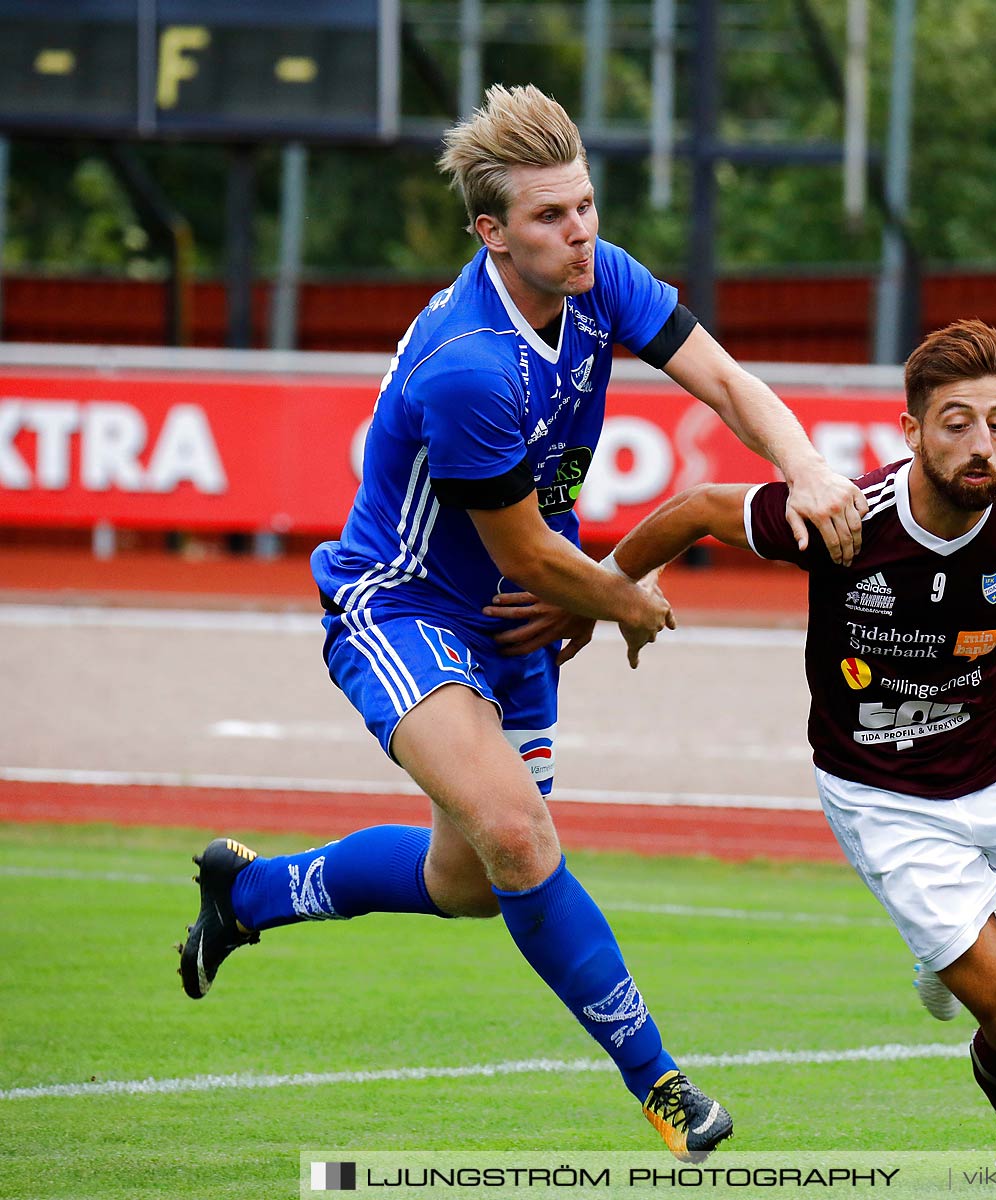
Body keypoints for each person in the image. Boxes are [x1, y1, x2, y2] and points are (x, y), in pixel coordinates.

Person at [177, 83, 866, 1161]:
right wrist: (626, 598)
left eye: (585, 203)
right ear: (490, 232)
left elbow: (725, 382)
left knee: (469, 882)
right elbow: (526, 555)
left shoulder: (601, 279)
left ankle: (251, 893)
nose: (580, 230)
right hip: (402, 607)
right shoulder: (469, 364)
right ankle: (665, 1086)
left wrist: (808, 465)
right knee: (517, 836)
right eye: (549, 217)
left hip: (517, 615)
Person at [603, 319, 996, 1185]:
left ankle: (977, 942)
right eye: (957, 422)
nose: (982, 443)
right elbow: (698, 509)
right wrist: (609, 590)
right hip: (884, 797)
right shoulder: (844, 519)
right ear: (911, 432)